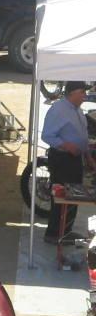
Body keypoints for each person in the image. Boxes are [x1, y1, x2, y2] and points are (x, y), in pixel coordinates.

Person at [41, 81, 96, 244]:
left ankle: (65, 231)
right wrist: (66, 145)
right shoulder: (58, 110)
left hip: (75, 159)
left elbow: (83, 137)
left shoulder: (77, 110)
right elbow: (47, 135)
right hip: (62, 159)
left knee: (74, 196)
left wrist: (89, 158)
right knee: (63, 197)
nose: (85, 95)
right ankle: (53, 234)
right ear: (72, 93)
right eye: (82, 92)